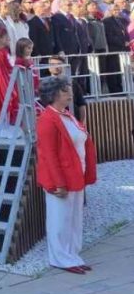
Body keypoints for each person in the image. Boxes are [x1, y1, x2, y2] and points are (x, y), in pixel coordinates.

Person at [35, 75, 97, 274]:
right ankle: (60, 258)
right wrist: (58, 182)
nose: (70, 94)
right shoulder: (47, 119)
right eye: (64, 91)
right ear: (53, 95)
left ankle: (72, 255)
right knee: (59, 220)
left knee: (74, 219)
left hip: (76, 174)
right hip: (62, 179)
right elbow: (48, 155)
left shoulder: (67, 115)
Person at [0, 24, 21, 137]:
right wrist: (7, 88)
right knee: (4, 104)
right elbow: (0, 74)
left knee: (9, 106)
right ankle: (4, 129)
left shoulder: (4, 52)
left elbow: (9, 68)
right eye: (6, 37)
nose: (9, 39)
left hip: (8, 81)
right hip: (4, 83)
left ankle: (8, 128)